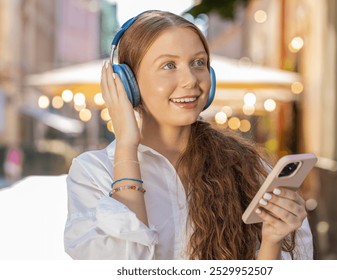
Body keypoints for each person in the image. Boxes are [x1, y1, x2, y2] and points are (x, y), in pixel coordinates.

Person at [64, 10, 313, 260]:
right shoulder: (93, 173)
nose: (191, 80)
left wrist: (272, 240)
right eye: (169, 65)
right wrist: (127, 146)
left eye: (198, 63)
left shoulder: (251, 169)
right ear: (126, 82)